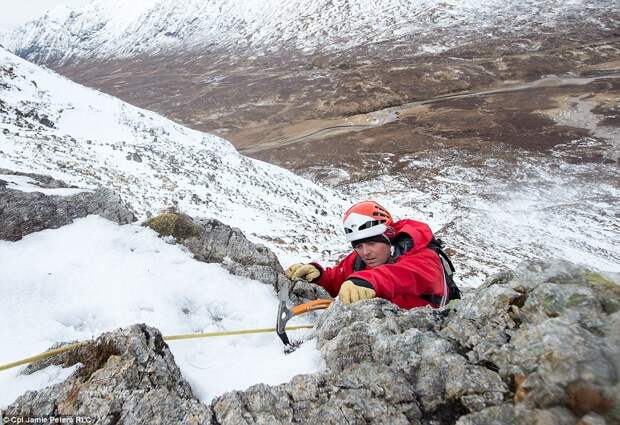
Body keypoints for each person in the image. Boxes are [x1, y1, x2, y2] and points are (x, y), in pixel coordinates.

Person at [285, 200, 450, 309]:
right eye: (358, 245)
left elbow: (401, 275)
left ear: (389, 236)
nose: (365, 252)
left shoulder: (423, 255)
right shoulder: (361, 260)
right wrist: (318, 275)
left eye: (372, 243)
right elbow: (338, 277)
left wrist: (366, 281)